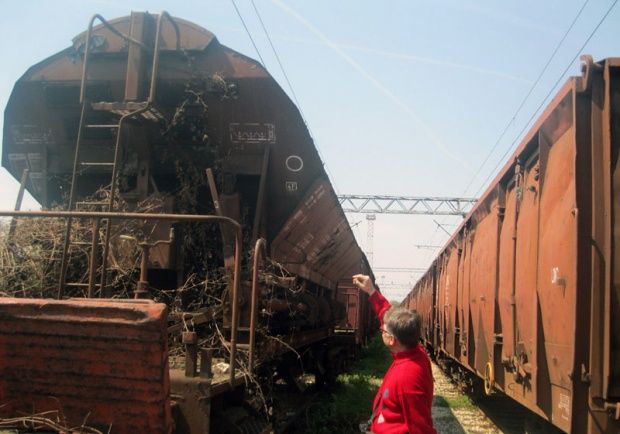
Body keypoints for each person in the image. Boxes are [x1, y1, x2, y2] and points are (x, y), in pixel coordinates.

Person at [352, 274, 436, 434]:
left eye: (383, 330)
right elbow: (388, 316)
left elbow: (421, 429)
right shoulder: (413, 352)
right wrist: (371, 291)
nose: (381, 328)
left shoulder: (407, 378)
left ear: (392, 340)